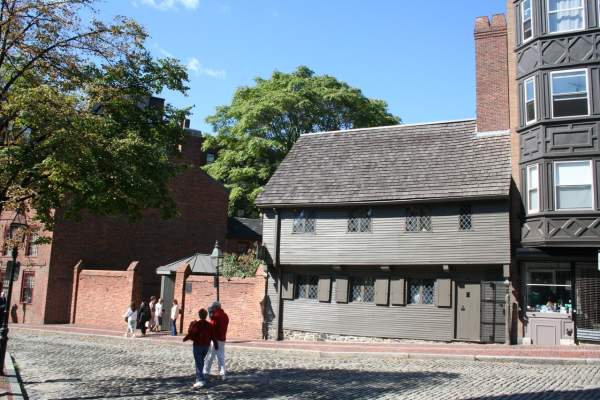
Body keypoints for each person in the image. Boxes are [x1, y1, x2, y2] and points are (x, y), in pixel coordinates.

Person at [183, 308, 218, 389]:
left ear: (199, 315)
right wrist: (216, 345)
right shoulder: (209, 325)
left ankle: (200, 380)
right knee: (201, 361)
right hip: (206, 346)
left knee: (198, 362)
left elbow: (192, 333)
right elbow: (213, 336)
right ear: (206, 316)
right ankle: (200, 377)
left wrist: (185, 338)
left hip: (198, 345)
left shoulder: (197, 324)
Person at [203, 301, 229, 380]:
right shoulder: (225, 316)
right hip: (222, 338)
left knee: (210, 356)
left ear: (216, 307)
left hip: (215, 339)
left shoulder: (216, 316)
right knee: (221, 356)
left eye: (213, 307)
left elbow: (212, 326)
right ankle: (222, 372)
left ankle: (205, 371)